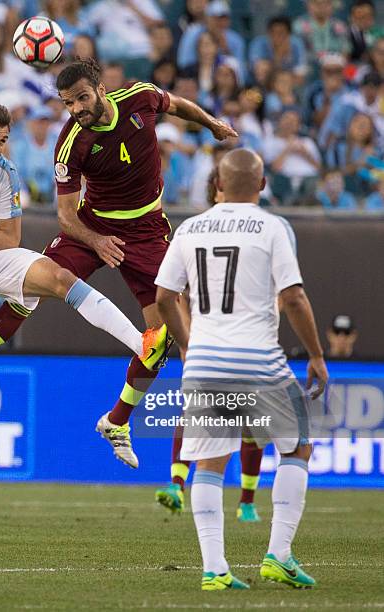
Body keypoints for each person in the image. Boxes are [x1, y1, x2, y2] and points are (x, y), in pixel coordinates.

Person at [0, 58, 237, 469]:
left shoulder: (140, 98)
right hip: (90, 227)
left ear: (101, 90)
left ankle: (117, 421)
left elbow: (176, 104)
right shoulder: (70, 144)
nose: (77, 110)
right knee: (39, 283)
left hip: (147, 233)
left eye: (82, 99)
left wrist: (212, 124)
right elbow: (67, 216)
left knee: (161, 338)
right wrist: (97, 240)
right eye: (69, 103)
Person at [0, 105, 173, 534]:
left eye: (3, 139)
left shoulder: (5, 175)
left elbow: (8, 238)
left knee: (58, 277)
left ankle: (140, 341)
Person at [155, 148, 328, 590]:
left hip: (206, 359)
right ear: (263, 184)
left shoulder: (190, 228)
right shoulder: (272, 227)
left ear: (218, 185)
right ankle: (279, 555)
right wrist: (316, 354)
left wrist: (191, 344)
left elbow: (163, 297)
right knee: (298, 446)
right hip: (258, 357)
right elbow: (293, 298)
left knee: (211, 463)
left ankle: (214, 569)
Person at [155, 166, 265, 523]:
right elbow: (175, 296)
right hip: (220, 339)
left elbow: (168, 296)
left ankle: (244, 499)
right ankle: (178, 485)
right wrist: (186, 340)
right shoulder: (219, 231)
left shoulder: (211, 231)